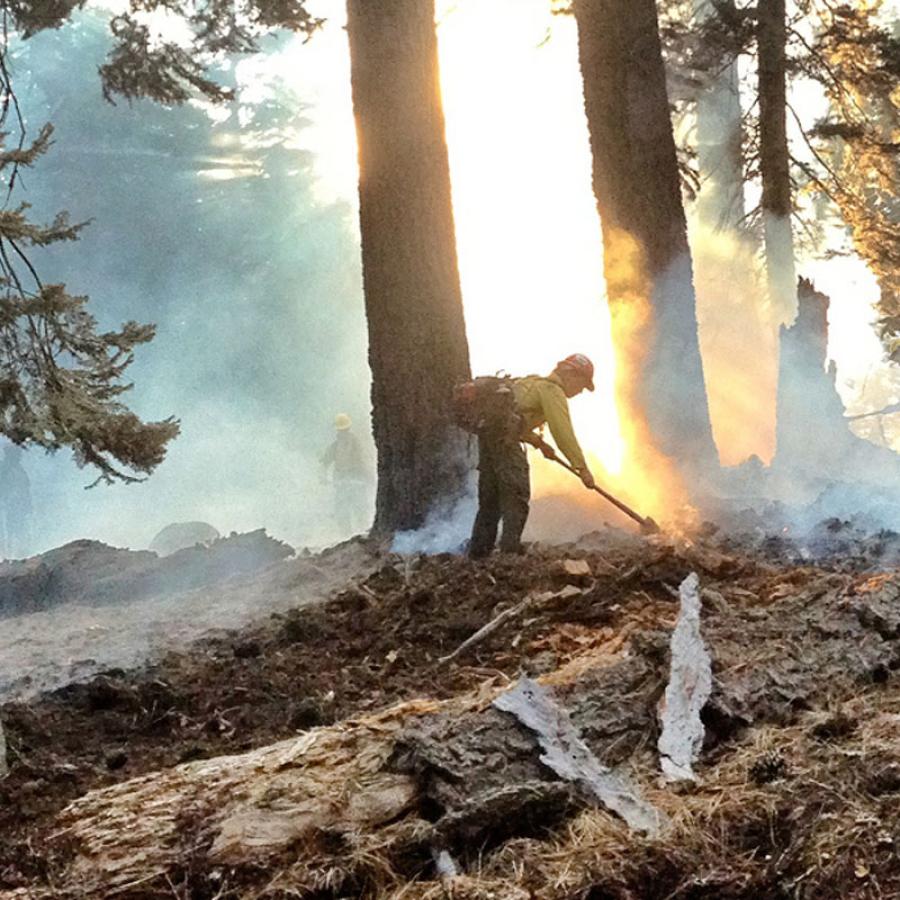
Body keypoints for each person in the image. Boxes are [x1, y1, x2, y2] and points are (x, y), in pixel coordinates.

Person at [468, 354, 596, 559]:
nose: (580, 391)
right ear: (571, 374)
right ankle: (509, 552)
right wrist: (582, 468)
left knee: (490, 499)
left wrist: (539, 443)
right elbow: (563, 432)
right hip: (505, 443)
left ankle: (479, 553)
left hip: (489, 439)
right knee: (516, 494)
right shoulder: (552, 391)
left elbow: (514, 419)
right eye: (582, 384)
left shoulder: (531, 383)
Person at [320, 414, 370, 534]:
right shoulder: (335, 445)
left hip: (355, 480)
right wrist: (322, 476)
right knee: (342, 510)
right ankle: (346, 536)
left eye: (344, 430)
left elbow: (362, 462)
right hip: (342, 481)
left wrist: (366, 477)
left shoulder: (355, 443)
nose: (342, 432)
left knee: (359, 508)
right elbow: (325, 461)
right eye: (341, 430)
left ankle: (362, 534)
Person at [0, 443, 33, 559]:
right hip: (8, 507)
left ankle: (19, 556)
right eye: (16, 454)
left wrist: (28, 505)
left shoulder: (20, 470)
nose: (19, 456)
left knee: (20, 530)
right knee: (7, 532)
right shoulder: (4, 469)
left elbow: (25, 488)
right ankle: (6, 557)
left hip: (19, 507)